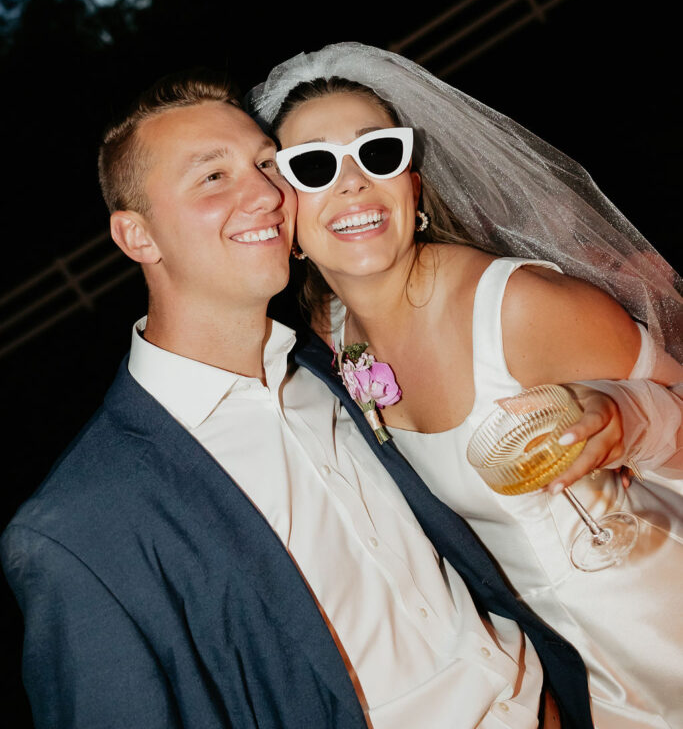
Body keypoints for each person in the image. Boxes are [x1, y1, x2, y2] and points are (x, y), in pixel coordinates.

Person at [0, 70, 594, 729]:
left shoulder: (331, 361)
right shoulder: (83, 527)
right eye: (213, 177)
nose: (264, 193)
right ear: (137, 236)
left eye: (264, 164)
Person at [249, 42, 683, 729]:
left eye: (378, 153)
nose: (354, 182)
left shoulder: (520, 308)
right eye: (313, 167)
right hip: (569, 683)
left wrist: (629, 418)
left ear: (412, 186)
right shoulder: (331, 338)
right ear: (286, 222)